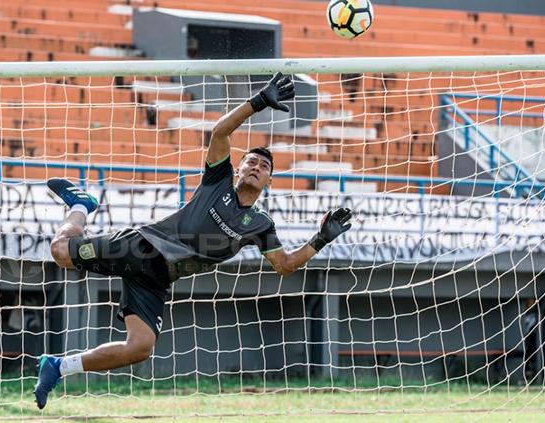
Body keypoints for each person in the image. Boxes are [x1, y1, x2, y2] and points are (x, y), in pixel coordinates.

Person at [33, 73, 353, 409]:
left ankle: (57, 366)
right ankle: (81, 205)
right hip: (141, 247)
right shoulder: (218, 182)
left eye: (264, 166)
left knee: (139, 347)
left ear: (269, 180)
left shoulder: (260, 225)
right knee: (59, 252)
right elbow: (220, 132)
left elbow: (284, 265)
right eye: (251, 162)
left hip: (158, 277)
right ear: (239, 169)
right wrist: (257, 102)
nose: (257, 166)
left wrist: (321, 239)